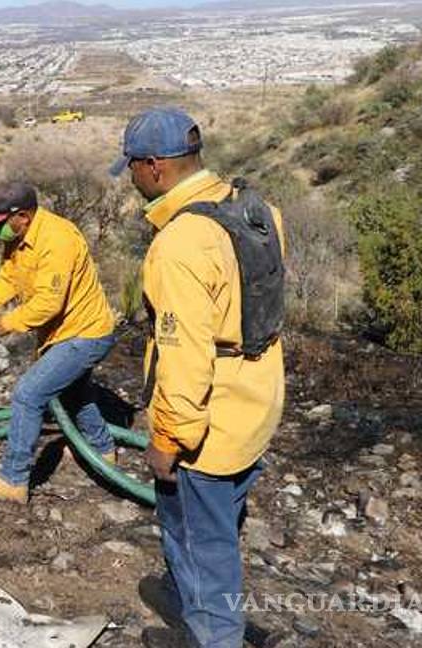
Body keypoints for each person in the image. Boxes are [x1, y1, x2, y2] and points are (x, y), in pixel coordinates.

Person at [109, 107, 285, 648]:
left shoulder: (180, 244)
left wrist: (168, 438)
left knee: (204, 541)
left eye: (134, 167)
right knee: (215, 523)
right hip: (257, 400)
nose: (132, 178)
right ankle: (201, 612)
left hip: (210, 420)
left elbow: (184, 355)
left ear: (156, 167)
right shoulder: (257, 209)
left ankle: (214, 635)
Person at [0, 181, 118, 504]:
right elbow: (7, 282)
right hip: (62, 335)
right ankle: (103, 451)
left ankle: (13, 481)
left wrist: (7, 323)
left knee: (29, 394)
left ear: (23, 216)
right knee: (74, 392)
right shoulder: (17, 238)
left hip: (86, 333)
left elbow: (47, 304)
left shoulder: (58, 240)